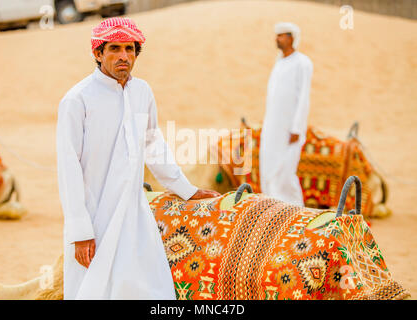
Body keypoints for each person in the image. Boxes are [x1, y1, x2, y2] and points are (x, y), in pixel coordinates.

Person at [56, 17, 219, 300]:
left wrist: (186, 189)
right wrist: (80, 230)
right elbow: (68, 168)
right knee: (93, 290)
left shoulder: (142, 91)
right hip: (95, 217)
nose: (124, 56)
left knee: (146, 288)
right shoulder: (77, 99)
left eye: (130, 49)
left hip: (134, 214)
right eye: (115, 49)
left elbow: (153, 144)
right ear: (98, 54)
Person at [259, 22, 313, 206]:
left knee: (285, 172)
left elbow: (304, 98)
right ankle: (273, 209)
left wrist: (297, 127)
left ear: (291, 38)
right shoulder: (279, 63)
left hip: (290, 129)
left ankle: (295, 211)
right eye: (277, 35)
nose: (277, 39)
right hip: (272, 127)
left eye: (281, 35)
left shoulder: (303, 63)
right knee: (268, 168)